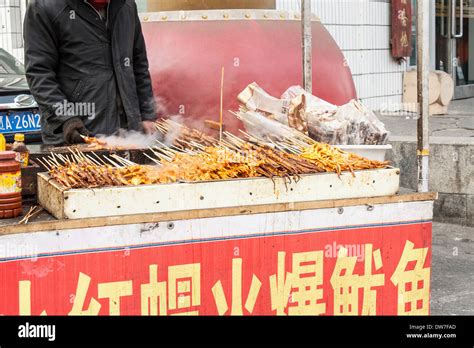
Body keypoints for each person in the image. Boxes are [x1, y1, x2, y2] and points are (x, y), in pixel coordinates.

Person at [24, 0, 157, 145]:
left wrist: (146, 114)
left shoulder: (127, 5)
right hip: (75, 134)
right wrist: (65, 118)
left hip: (128, 133)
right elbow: (39, 73)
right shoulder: (44, 6)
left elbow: (138, 65)